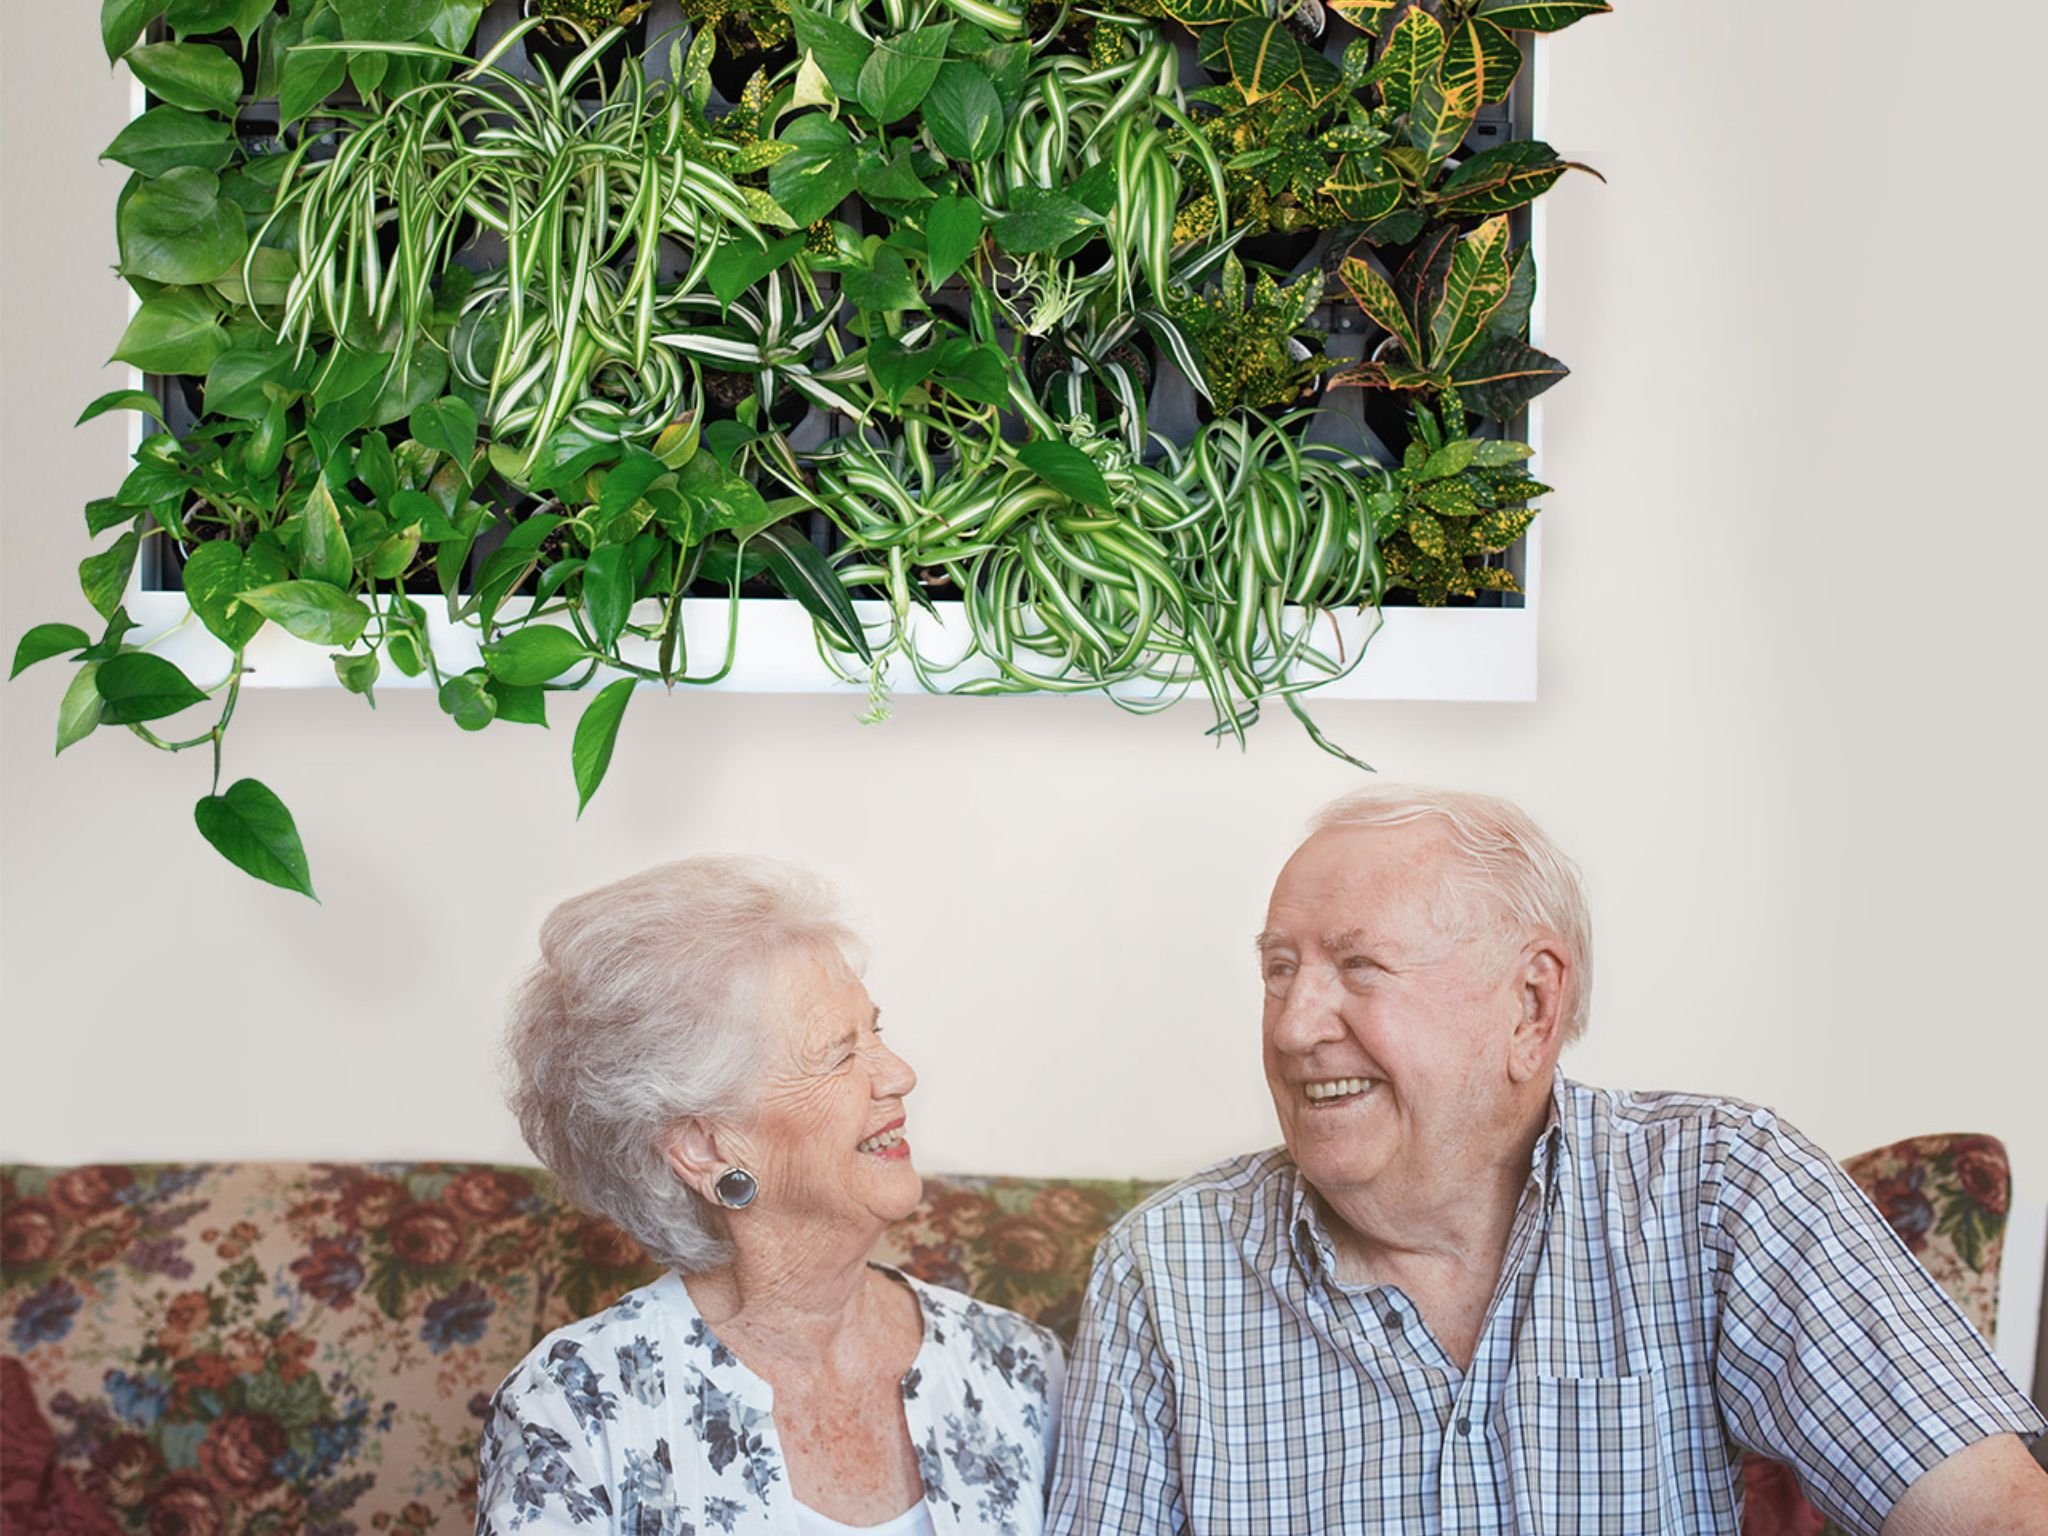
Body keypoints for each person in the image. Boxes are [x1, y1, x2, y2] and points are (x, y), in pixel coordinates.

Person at [1048, 786, 2048, 1535]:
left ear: (1530, 1005)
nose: (1295, 1025)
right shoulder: (1165, 1269)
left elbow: (1986, 1514)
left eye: (1358, 967)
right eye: (1278, 972)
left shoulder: (1713, 1191)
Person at [480, 857, 1063, 1536]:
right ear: (705, 1148)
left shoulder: (1018, 1368)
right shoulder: (577, 1405)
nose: (899, 1075)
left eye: (877, 1031)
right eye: (839, 1055)